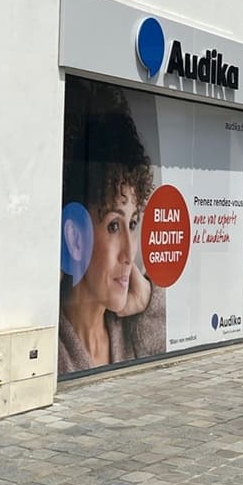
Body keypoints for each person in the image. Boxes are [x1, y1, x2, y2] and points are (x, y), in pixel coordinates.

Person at [58, 79, 166, 374]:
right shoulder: (51, 353)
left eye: (132, 223)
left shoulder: (135, 328)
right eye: (114, 226)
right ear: (74, 236)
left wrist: (147, 300)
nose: (129, 254)